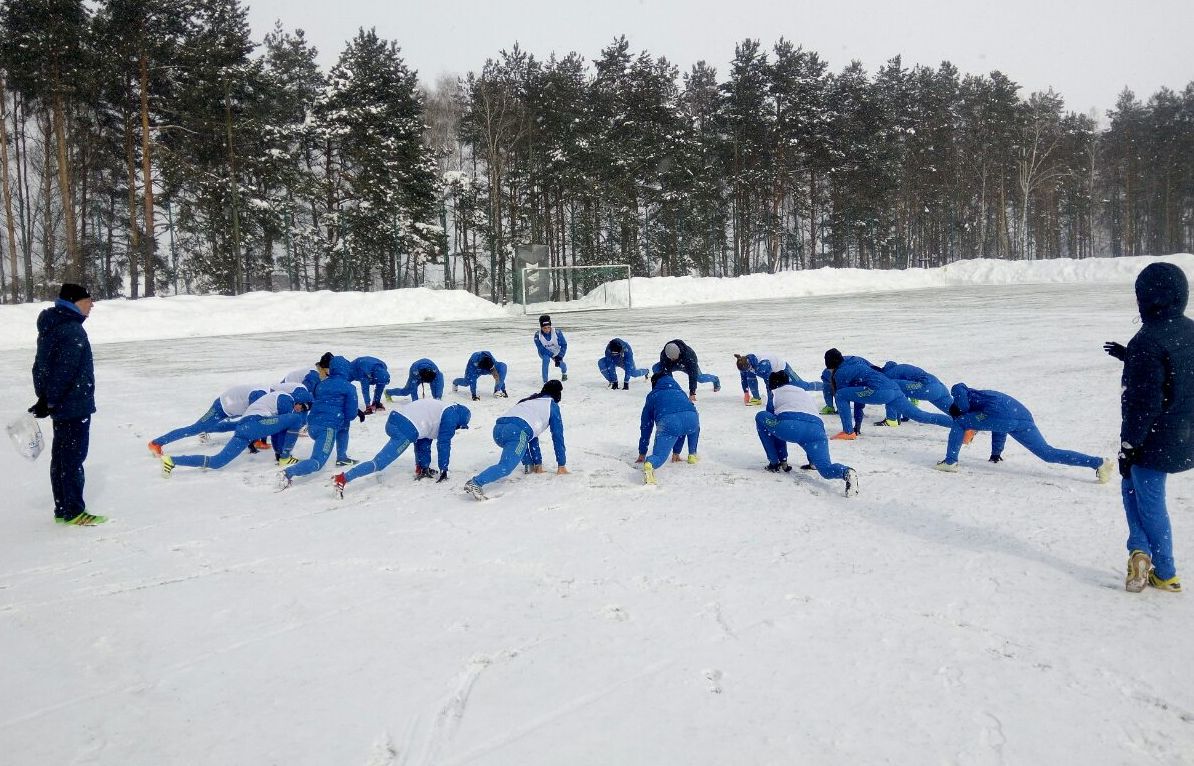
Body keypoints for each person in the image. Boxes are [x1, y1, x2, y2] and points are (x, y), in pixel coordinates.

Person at [1105, 262, 1194, 593]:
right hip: (1184, 435)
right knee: (1133, 489)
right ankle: (1139, 551)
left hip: (1155, 440)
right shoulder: (1189, 329)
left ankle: (1163, 570)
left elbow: (1143, 404)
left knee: (1146, 497)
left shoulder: (1148, 340)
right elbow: (1176, 372)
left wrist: (1129, 446)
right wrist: (1130, 356)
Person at [30, 283, 105, 526]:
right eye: (88, 300)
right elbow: (64, 371)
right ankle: (73, 511)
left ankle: (62, 509)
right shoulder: (72, 330)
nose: (92, 304)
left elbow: (41, 366)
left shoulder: (52, 325)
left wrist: (45, 398)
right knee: (72, 459)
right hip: (73, 405)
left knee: (61, 457)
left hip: (61, 404)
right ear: (74, 302)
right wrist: (48, 399)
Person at [935, 382, 1113, 484]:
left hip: (1003, 416)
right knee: (1047, 453)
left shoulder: (960, 396)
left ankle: (950, 462)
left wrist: (960, 415)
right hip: (1022, 416)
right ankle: (1098, 463)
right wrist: (996, 453)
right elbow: (999, 427)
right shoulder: (983, 395)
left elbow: (968, 408)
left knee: (959, 423)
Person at [332, 399, 472, 497]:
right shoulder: (451, 416)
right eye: (460, 426)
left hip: (397, 419)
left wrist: (423, 466)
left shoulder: (443, 409)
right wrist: (444, 469)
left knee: (422, 440)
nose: (458, 428)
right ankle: (342, 478)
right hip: (405, 428)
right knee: (379, 463)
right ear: (461, 420)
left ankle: (422, 469)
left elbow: (424, 439)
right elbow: (443, 443)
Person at [161, 389, 312, 475]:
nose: (301, 409)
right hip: (253, 424)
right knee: (296, 420)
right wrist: (281, 454)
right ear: (298, 400)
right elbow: (279, 432)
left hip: (245, 430)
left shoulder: (282, 401)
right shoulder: (286, 399)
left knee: (217, 462)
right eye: (302, 406)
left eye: (305, 409)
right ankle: (285, 458)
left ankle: (173, 460)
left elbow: (277, 429)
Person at [755, 371, 857, 496]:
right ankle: (845, 472)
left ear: (772, 385)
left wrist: (782, 458)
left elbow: (773, 424)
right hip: (817, 431)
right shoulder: (802, 392)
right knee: (825, 468)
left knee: (761, 417)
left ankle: (775, 462)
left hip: (790, 426)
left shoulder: (775, 393)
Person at [464, 380, 568, 500]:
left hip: (498, 430)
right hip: (517, 433)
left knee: (524, 436)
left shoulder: (529, 400)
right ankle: (476, 482)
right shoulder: (552, 406)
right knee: (506, 466)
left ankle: (529, 466)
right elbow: (557, 436)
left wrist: (537, 463)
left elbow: (532, 433)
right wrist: (562, 464)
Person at [823, 348, 953, 439]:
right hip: (894, 388)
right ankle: (960, 425)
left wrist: (855, 427)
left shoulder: (840, 373)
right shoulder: (856, 361)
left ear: (830, 365)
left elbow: (854, 399)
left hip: (879, 391)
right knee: (920, 416)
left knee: (840, 395)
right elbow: (858, 396)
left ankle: (847, 431)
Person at [278, 355, 363, 488]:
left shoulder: (321, 384)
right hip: (327, 428)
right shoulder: (348, 387)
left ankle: (342, 458)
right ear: (346, 369)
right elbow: (351, 414)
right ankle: (288, 473)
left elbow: (318, 402)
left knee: (344, 425)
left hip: (312, 424)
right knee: (317, 462)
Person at [147, 383, 271, 455]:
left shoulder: (269, 396)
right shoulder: (260, 395)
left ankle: (256, 441)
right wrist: (252, 447)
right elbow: (253, 420)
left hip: (236, 407)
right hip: (221, 406)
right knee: (195, 428)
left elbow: (263, 417)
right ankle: (156, 443)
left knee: (234, 424)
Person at [635, 372, 700, 485]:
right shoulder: (680, 392)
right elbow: (683, 415)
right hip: (692, 419)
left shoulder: (653, 396)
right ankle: (692, 454)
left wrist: (642, 452)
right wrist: (676, 451)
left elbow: (646, 425)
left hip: (669, 423)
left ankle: (650, 464)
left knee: (660, 456)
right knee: (688, 425)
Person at [874, 361, 954, 426]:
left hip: (926, 386)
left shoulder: (887, 375)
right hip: (939, 387)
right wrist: (905, 416)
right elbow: (903, 394)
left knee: (890, 390)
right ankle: (965, 422)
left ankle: (891, 420)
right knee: (957, 413)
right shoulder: (899, 369)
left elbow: (894, 396)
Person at [734, 353, 822, 407]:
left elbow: (769, 385)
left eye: (749, 368)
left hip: (783, 369)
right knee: (749, 376)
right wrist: (746, 393)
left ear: (749, 364)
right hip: (765, 370)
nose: (748, 370)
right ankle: (756, 398)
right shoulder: (743, 363)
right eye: (746, 370)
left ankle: (826, 386)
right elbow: (744, 378)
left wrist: (770, 404)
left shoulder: (763, 366)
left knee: (803, 386)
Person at [653, 339, 720, 401]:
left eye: (674, 358)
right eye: (670, 358)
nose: (672, 359)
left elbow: (692, 374)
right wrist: (671, 390)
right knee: (656, 368)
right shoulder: (664, 354)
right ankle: (661, 387)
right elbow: (667, 373)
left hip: (686, 365)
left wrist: (692, 393)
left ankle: (715, 379)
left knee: (700, 378)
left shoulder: (689, 355)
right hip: (673, 365)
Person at [534, 314, 568, 382]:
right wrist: (551, 355)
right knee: (546, 360)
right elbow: (540, 348)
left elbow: (564, 345)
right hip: (544, 351)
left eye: (548, 327)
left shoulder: (557, 332)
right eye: (544, 328)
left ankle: (564, 373)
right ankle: (545, 381)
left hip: (556, 351)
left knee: (561, 364)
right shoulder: (538, 335)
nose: (547, 330)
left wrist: (560, 356)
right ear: (541, 327)